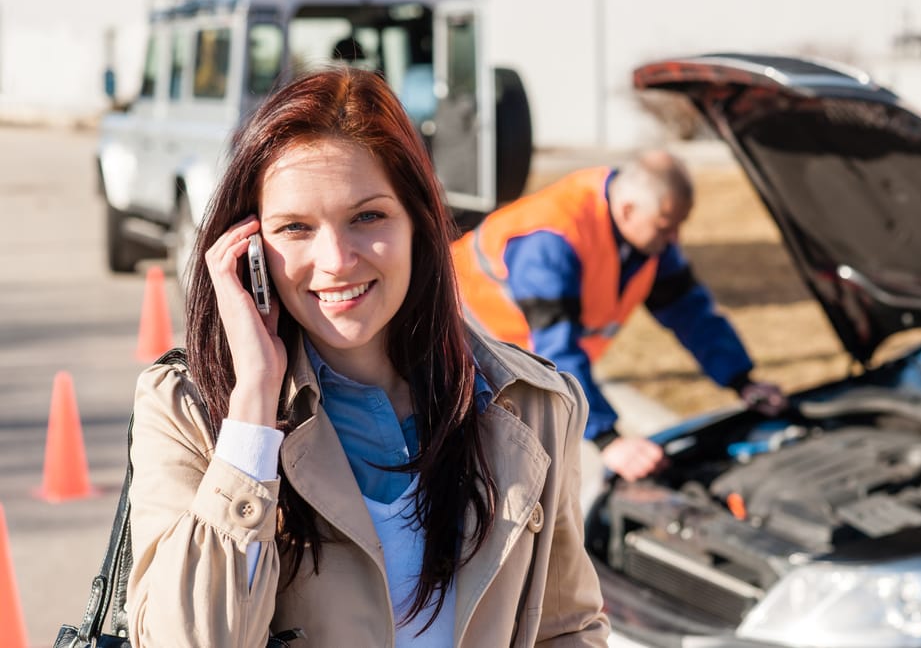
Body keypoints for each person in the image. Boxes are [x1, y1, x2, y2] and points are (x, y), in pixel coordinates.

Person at [125, 66, 609, 647]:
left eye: (368, 217)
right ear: (250, 250)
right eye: (295, 228)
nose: (335, 260)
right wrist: (252, 407)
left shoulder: (530, 405)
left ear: (418, 223)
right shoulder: (188, 411)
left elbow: (567, 627)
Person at [452, 150, 786, 483]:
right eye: (667, 227)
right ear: (627, 211)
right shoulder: (553, 240)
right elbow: (554, 351)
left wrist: (743, 380)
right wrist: (607, 439)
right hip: (458, 347)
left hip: (518, 360)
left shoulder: (649, 236)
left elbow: (692, 314)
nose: (675, 239)